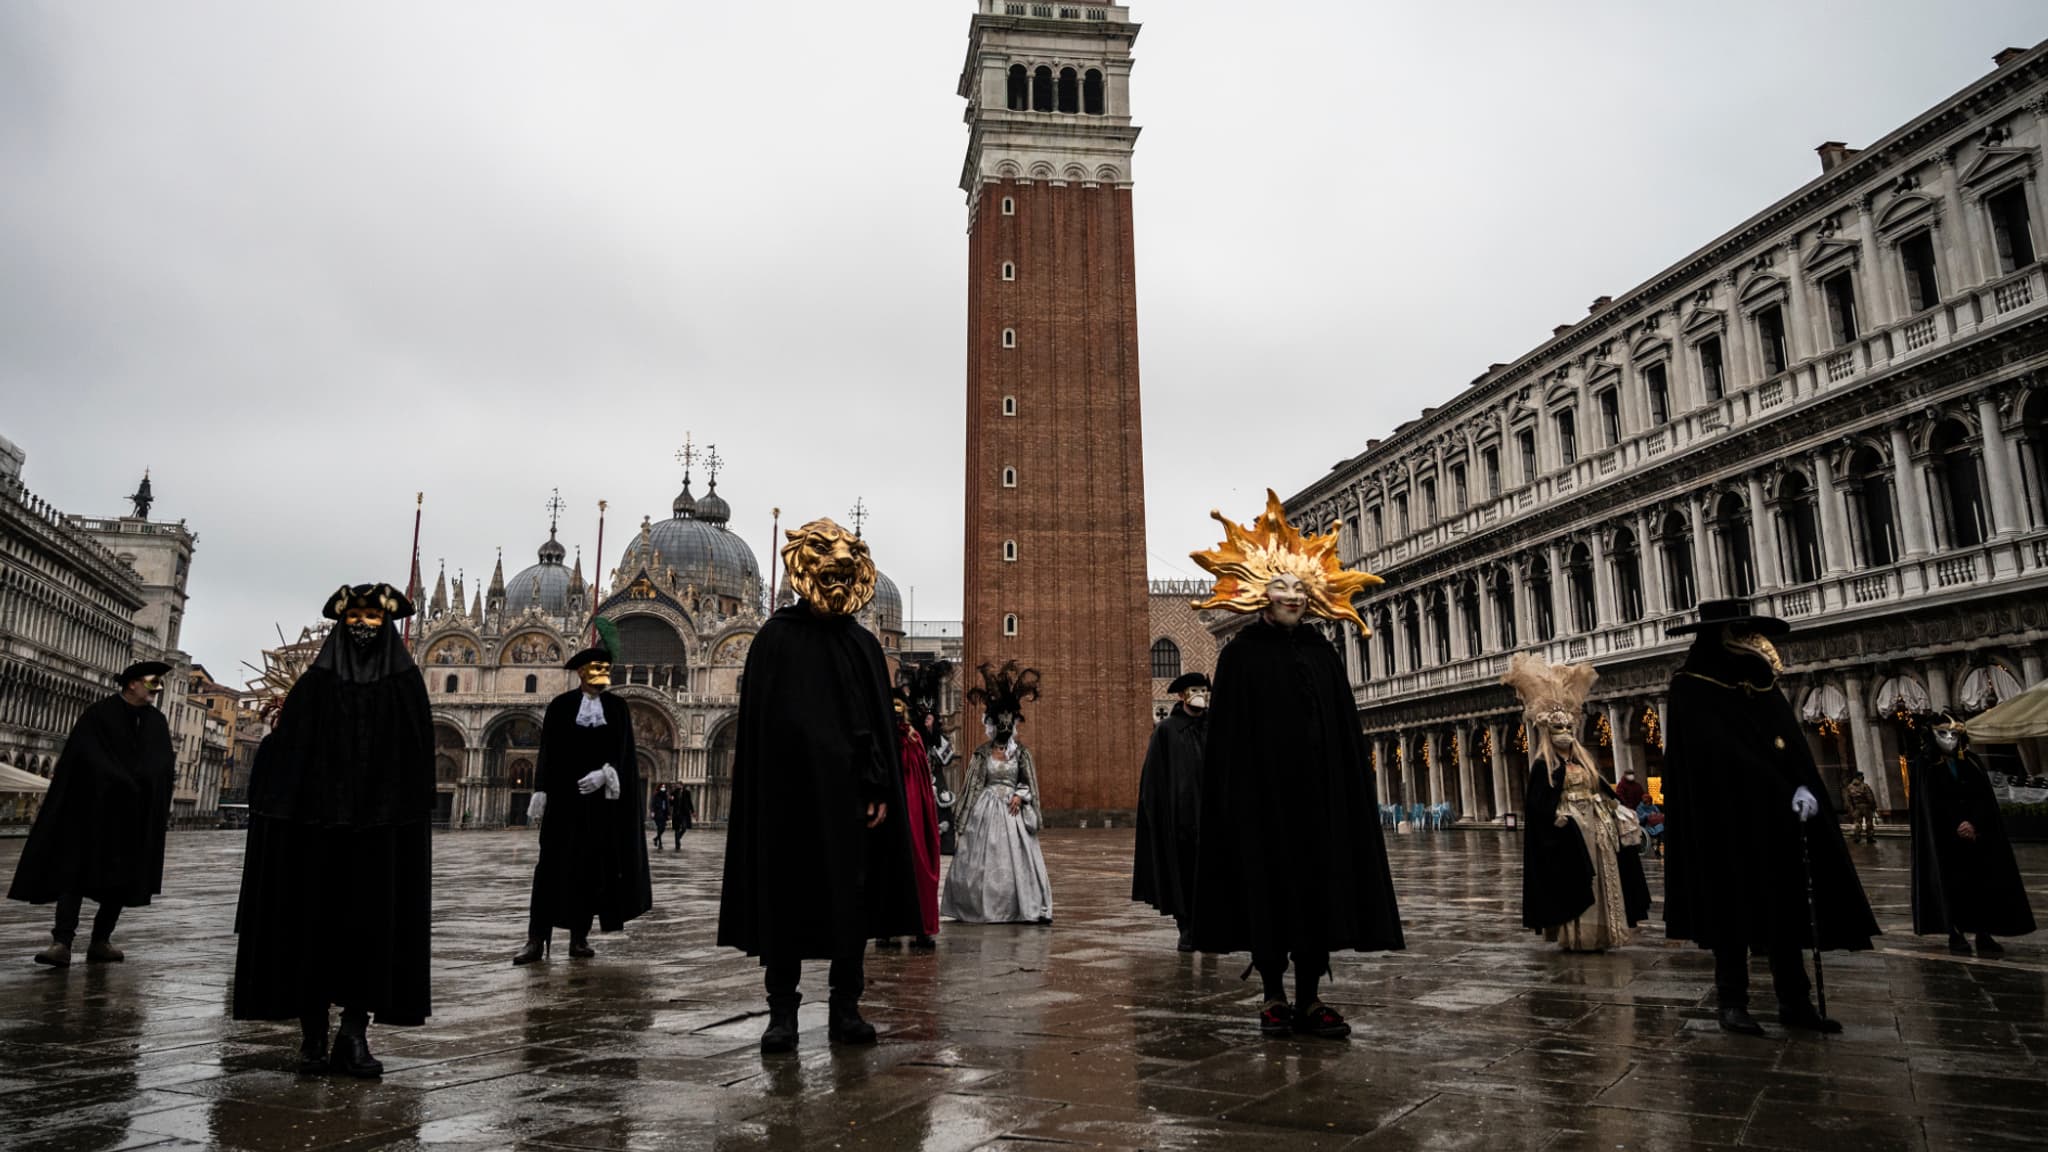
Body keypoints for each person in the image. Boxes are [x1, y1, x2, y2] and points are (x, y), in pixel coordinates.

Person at [1187, 491, 1404, 1039]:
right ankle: (1273, 994)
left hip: (1319, 800)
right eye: (1282, 587)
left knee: (1317, 892)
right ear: (1261, 593)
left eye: (1301, 589)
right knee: (1265, 891)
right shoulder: (1239, 656)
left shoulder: (1322, 653)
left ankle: (1310, 996)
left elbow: (1343, 735)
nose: (1293, 597)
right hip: (1260, 803)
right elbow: (1229, 741)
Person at [717, 518, 920, 1052]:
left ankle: (845, 1008)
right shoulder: (773, 640)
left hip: (850, 801)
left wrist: (877, 786)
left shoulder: (863, 646)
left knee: (851, 901)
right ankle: (781, 1013)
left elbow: (875, 726)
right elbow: (761, 728)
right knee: (785, 904)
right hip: (786, 798)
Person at [233, 583, 435, 1077]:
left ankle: (354, 1033)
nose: (364, 624)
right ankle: (312, 1037)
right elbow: (286, 758)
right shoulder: (314, 686)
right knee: (311, 929)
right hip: (316, 835)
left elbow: (417, 763)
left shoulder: (406, 686)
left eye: (373, 617)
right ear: (340, 622)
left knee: (372, 932)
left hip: (379, 837)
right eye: (355, 616)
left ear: (387, 624)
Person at [1662, 598, 1878, 1036]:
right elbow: (1710, 756)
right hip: (1723, 821)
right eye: (1738, 631)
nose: (1749, 640)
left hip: (1778, 822)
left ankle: (1795, 1003)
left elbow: (1791, 742)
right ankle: (1732, 1002)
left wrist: (1805, 785)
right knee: (1730, 913)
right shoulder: (1691, 687)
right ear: (1718, 637)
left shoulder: (1762, 684)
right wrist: (1777, 786)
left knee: (1786, 908)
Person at [9, 661, 176, 968]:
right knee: (74, 874)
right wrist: (119, 778)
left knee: (122, 879)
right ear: (132, 684)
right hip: (92, 814)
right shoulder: (99, 715)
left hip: (132, 818)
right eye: (152, 683)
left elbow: (163, 763)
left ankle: (101, 939)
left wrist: (148, 783)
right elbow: (83, 757)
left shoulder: (156, 722)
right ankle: (62, 942)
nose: (156, 690)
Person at [513, 644, 653, 966]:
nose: (603, 675)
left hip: (599, 806)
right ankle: (536, 939)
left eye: (606, 670)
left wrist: (606, 774)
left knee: (590, 871)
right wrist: (541, 790)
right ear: (581, 672)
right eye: (596, 669)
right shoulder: (561, 706)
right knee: (549, 869)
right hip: (563, 802)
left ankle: (579, 938)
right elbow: (547, 750)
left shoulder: (617, 708)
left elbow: (623, 752)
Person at [1503, 653, 1652, 952]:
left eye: (1569, 729)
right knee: (1576, 883)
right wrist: (1555, 818)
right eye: (1558, 730)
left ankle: (1602, 934)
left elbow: (1602, 788)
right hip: (1569, 835)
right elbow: (1537, 806)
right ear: (1548, 732)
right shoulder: (1543, 766)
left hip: (1595, 832)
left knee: (1603, 881)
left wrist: (1614, 807)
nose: (1565, 735)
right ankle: (1577, 936)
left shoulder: (1582, 762)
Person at [940, 662, 1054, 925]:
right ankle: (981, 905)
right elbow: (973, 784)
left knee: (1019, 858)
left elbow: (1028, 781)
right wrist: (964, 817)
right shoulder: (982, 753)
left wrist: (1020, 795)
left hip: (1013, 808)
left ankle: (1022, 905)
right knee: (982, 858)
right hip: (986, 809)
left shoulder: (1022, 753)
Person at [1909, 718, 2035, 956]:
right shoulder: (1923, 767)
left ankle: (1983, 933)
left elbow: (1984, 799)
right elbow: (1927, 808)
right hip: (1944, 842)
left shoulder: (1972, 762)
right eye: (1943, 734)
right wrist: (1954, 825)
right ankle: (1955, 932)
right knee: (1951, 887)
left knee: (1982, 885)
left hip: (1976, 838)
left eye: (1955, 734)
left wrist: (1974, 823)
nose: (1950, 739)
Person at [1134, 671, 1210, 952]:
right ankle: (1186, 928)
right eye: (1194, 689)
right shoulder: (1166, 730)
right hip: (1180, 819)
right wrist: (1157, 813)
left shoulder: (1214, 726)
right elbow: (1153, 778)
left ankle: (1210, 927)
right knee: (1184, 875)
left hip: (1212, 816)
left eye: (1202, 689)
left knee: (1212, 875)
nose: (1199, 694)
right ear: (1181, 695)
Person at [876, 687, 941, 951]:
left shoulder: (913, 741)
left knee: (916, 867)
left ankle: (919, 928)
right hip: (889, 815)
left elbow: (921, 779)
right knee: (886, 869)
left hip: (911, 815)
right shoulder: (883, 738)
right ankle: (887, 928)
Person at [1843, 773, 1879, 844]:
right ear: (1859, 777)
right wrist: (1873, 806)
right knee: (1869, 822)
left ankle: (1857, 837)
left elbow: (1847, 799)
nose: (1863, 777)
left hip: (1856, 807)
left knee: (1857, 822)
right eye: (1862, 776)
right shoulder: (1864, 786)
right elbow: (1870, 798)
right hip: (1866, 806)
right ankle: (1869, 837)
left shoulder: (1849, 787)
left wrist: (1851, 809)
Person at [651, 782, 671, 851]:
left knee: (663, 828)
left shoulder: (665, 795)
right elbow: (653, 804)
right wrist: (653, 812)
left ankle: (656, 838)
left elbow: (667, 805)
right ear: (659, 787)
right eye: (662, 787)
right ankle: (660, 844)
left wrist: (668, 814)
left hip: (664, 814)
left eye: (664, 787)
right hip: (658, 814)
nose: (663, 788)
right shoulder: (656, 795)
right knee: (659, 828)